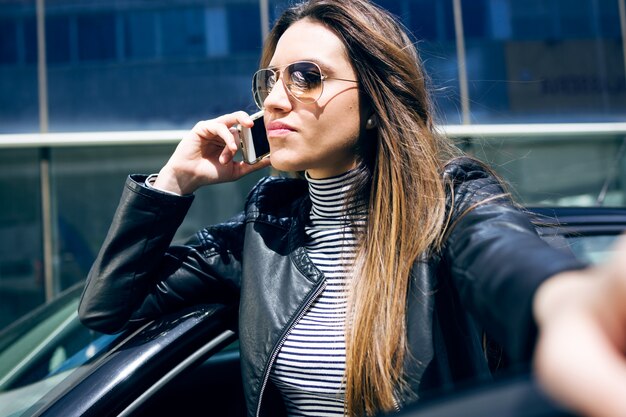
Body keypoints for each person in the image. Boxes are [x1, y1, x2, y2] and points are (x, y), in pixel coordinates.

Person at [77, 1, 626, 416]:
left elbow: (504, 258)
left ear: (373, 105)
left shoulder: (452, 202)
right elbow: (109, 309)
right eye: (269, 78)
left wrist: (570, 303)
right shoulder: (267, 232)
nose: (272, 99)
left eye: (306, 77)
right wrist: (172, 182)